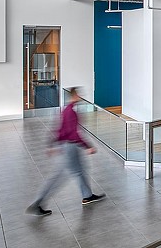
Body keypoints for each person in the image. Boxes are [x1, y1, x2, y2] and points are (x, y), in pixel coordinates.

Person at [27, 87, 104, 217]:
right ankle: (37, 203)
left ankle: (87, 196)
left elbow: (59, 129)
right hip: (70, 147)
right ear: (75, 95)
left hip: (66, 146)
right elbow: (73, 133)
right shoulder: (71, 112)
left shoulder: (66, 110)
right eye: (79, 94)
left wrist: (51, 144)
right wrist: (87, 146)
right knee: (58, 177)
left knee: (80, 171)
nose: (81, 96)